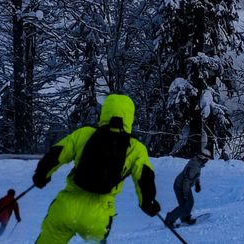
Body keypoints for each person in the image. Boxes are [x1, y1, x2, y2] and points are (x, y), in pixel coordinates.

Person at [32, 94, 161, 243]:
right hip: (97, 217)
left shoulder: (85, 134)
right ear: (130, 117)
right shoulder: (136, 148)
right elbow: (144, 177)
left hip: (66, 207)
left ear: (105, 112)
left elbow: (58, 152)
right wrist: (148, 202)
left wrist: (42, 174)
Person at [166, 151, 208, 227]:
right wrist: (185, 195)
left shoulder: (198, 163)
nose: (207, 161)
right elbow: (186, 181)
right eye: (206, 159)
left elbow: (195, 175)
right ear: (202, 158)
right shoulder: (194, 166)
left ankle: (185, 217)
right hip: (180, 186)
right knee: (184, 205)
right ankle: (169, 219)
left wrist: (197, 184)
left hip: (185, 185)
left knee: (190, 202)